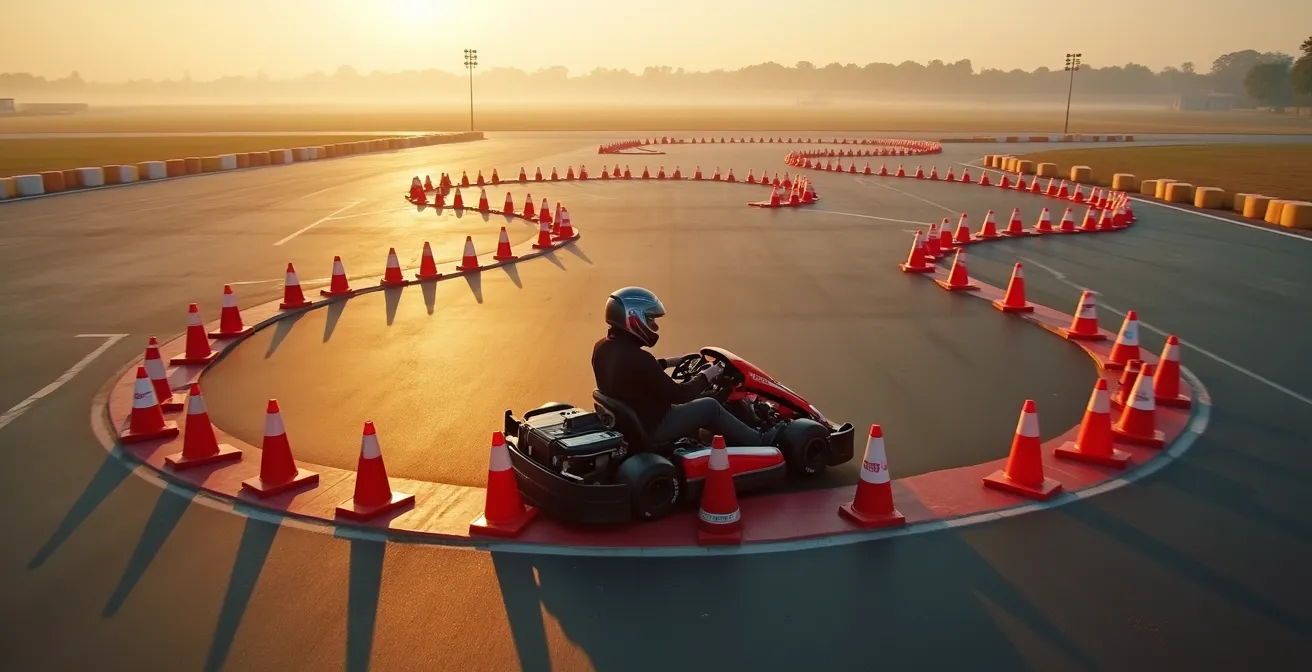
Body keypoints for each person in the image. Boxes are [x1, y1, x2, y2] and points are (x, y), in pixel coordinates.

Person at [591, 287, 783, 447]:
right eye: (650, 319)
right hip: (655, 426)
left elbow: (632, 374)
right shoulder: (639, 359)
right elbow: (680, 395)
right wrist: (708, 374)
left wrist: (671, 361)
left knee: (705, 396)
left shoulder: (603, 348)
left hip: (634, 421)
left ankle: (709, 437)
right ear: (634, 318)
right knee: (710, 406)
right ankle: (760, 441)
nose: (654, 325)